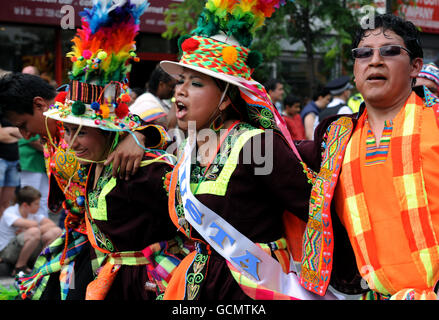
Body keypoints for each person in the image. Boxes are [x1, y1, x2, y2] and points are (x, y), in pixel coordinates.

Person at [160, 0, 336, 301]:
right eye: (180, 81)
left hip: (252, 288)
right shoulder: (190, 143)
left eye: (196, 83)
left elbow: (316, 207)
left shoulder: (257, 143)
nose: (180, 90)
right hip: (197, 284)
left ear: (226, 98)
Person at [0, 0, 168, 300]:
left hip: (120, 250)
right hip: (82, 237)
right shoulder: (62, 126)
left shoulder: (85, 115)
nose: (23, 134)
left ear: (40, 105)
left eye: (23, 124)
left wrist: (139, 136)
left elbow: (154, 123)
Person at [299, 13, 439, 300]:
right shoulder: (333, 137)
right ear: (354, 70)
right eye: (363, 53)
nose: (375, 61)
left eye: (389, 51)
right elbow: (280, 166)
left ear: (416, 67)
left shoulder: (435, 120)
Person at [44, 79, 188, 300]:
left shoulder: (142, 169)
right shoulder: (94, 162)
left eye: (81, 133)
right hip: (112, 273)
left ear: (107, 131)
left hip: (148, 282)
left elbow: (189, 214)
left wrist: (141, 135)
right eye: (69, 131)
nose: (71, 143)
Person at [0, 186, 61, 276]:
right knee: (34, 232)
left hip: (27, 249)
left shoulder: (33, 214)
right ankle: (19, 267)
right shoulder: (10, 212)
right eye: (36, 204)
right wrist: (33, 228)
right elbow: (28, 224)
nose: (39, 206)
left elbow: (52, 225)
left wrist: (31, 229)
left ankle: (39, 264)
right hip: (7, 252)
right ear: (25, 205)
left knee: (56, 231)